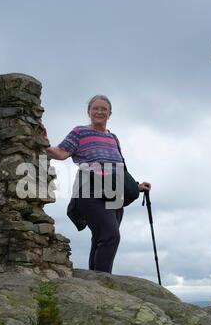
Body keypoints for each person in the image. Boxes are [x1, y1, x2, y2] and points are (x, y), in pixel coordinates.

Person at [41, 95, 151, 274]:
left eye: (104, 109)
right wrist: (44, 143)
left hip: (114, 192)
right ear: (89, 112)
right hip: (90, 190)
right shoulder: (80, 132)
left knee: (100, 237)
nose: (100, 112)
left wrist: (136, 186)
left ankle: (95, 280)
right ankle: (103, 283)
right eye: (96, 108)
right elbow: (60, 153)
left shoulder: (113, 137)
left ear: (110, 113)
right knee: (111, 235)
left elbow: (118, 167)